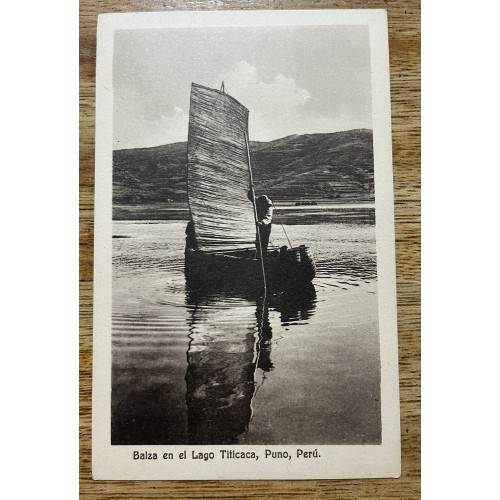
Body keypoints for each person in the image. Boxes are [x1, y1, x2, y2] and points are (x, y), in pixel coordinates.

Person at [248, 188, 274, 253]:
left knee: (264, 242)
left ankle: (263, 254)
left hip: (265, 226)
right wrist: (250, 190)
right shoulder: (259, 201)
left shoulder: (269, 207)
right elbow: (252, 198)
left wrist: (261, 223)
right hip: (259, 224)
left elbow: (268, 219)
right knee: (258, 241)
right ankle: (258, 253)